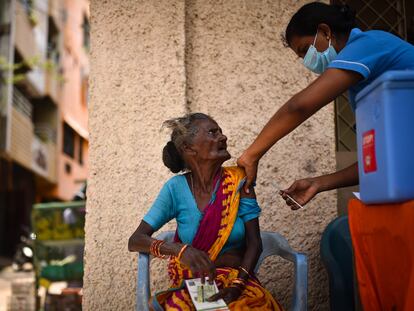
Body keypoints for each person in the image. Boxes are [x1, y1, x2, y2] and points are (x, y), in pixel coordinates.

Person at [237, 2, 414, 209]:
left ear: (325, 31)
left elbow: (299, 106)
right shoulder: (363, 88)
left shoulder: (368, 44)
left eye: (305, 50)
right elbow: (378, 160)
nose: (307, 62)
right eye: (302, 58)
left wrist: (251, 155)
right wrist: (319, 183)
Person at [128, 113, 282, 310]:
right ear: (188, 147)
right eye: (213, 132)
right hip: (196, 284)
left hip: (239, 283)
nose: (223, 137)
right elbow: (136, 240)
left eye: (221, 132)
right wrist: (179, 250)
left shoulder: (240, 181)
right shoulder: (175, 189)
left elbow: (255, 243)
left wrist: (236, 286)